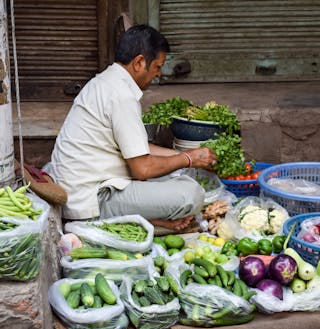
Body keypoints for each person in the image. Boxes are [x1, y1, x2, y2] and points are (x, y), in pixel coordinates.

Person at [47, 24, 217, 231]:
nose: (159, 74)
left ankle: (145, 219)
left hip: (80, 187)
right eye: (157, 66)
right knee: (192, 194)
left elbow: (138, 149)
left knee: (175, 173)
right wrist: (188, 159)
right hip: (90, 201)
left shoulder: (105, 82)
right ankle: (127, 220)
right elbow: (142, 170)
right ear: (139, 62)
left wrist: (186, 155)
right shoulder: (121, 96)